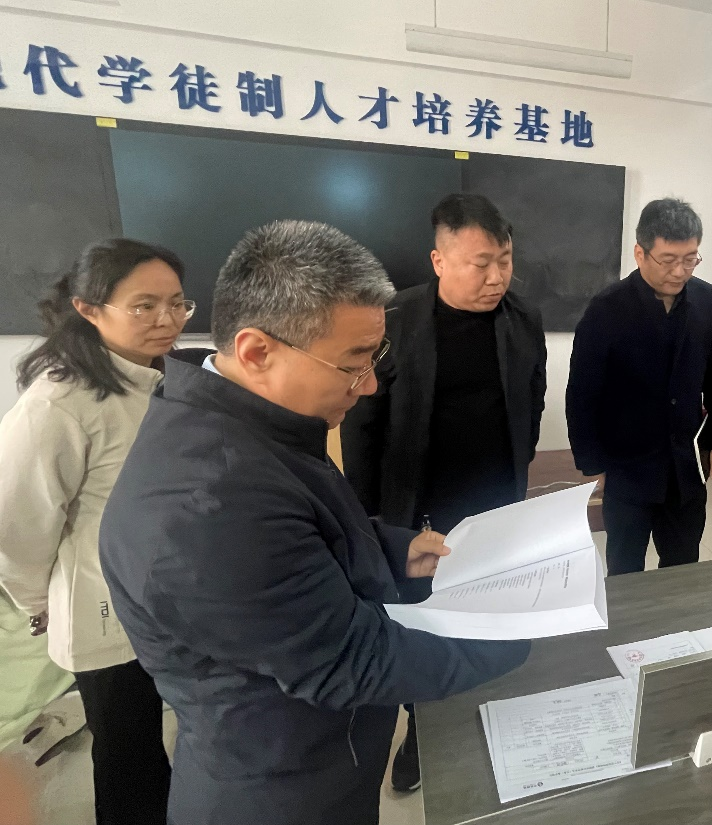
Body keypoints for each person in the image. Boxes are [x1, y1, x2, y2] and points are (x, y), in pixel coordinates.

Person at [99, 221, 529, 825]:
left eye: (374, 356)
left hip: (320, 751)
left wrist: (391, 548)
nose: (370, 384)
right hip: (278, 787)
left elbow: (299, 526)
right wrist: (525, 627)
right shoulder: (207, 502)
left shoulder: (250, 419)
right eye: (354, 362)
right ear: (257, 351)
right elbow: (350, 660)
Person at [341, 193, 546, 791]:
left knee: (491, 617)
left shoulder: (522, 318)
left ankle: (486, 717)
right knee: (420, 627)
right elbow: (362, 423)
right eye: (481, 263)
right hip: (417, 508)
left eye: (505, 260)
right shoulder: (395, 320)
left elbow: (533, 397)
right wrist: (371, 519)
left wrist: (519, 467)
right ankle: (423, 734)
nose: (496, 277)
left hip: (495, 501)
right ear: (439, 260)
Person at [0, 239, 190, 825]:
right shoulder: (58, 402)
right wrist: (35, 603)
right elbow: (16, 524)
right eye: (144, 306)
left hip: (177, 596)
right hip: (105, 611)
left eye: (177, 303)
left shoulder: (170, 378)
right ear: (88, 309)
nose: (167, 319)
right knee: (130, 755)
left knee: (190, 738)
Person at [566, 198, 712, 576]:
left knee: (682, 566)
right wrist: (592, 462)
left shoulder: (708, 301)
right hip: (627, 465)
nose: (680, 271)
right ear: (640, 253)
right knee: (625, 567)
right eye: (668, 260)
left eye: (690, 259)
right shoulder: (606, 309)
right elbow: (582, 393)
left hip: (685, 465)